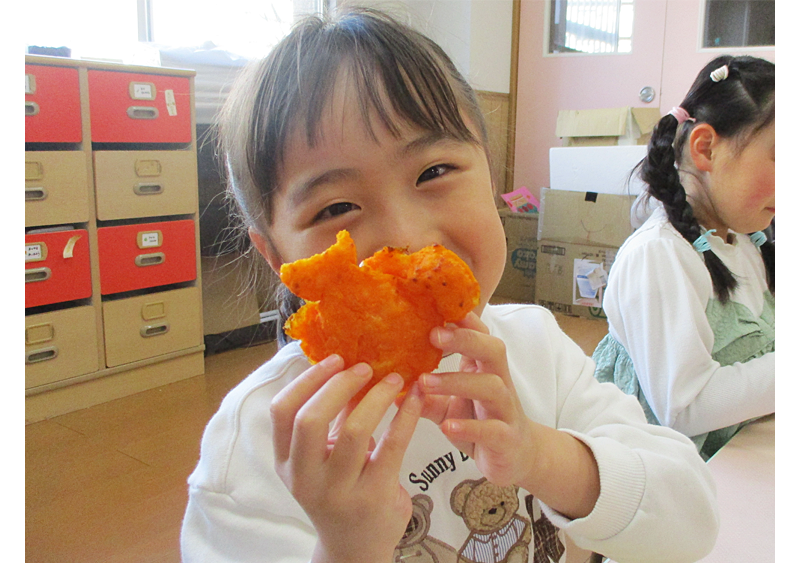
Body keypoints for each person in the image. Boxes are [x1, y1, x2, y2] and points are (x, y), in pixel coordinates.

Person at [181, 7, 718, 563]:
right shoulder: (254, 447)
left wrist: (541, 456)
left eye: (433, 172)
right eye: (336, 206)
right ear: (275, 254)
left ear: (492, 176)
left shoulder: (536, 349)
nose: (407, 239)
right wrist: (345, 552)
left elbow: (692, 523)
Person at [593, 55, 775, 461]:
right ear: (706, 147)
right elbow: (684, 407)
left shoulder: (744, 241)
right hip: (665, 480)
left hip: (741, 458)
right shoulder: (658, 255)